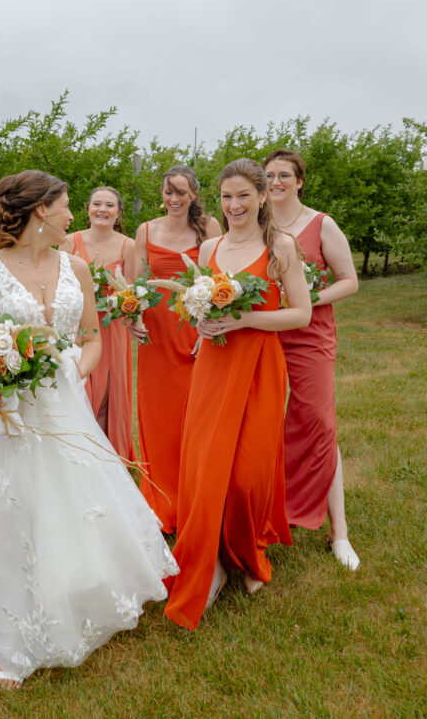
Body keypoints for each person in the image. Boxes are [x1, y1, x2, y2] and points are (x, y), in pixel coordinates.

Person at [0, 170, 177, 689]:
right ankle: (17, 631)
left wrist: (75, 369)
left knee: (77, 499)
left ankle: (83, 590)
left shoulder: (76, 265)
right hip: (10, 413)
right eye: (65, 207)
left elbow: (93, 338)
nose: (73, 216)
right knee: (20, 507)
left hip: (65, 404)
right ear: (39, 211)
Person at [164, 158, 311, 631]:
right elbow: (198, 305)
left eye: (244, 195)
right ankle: (213, 565)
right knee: (207, 468)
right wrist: (201, 320)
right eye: (227, 197)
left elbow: (301, 314)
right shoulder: (209, 247)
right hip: (213, 366)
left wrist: (246, 319)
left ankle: (246, 551)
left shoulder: (281, 246)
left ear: (263, 196)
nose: (235, 205)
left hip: (260, 368)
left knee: (247, 472)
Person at [264, 149, 360, 570]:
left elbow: (350, 281)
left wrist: (306, 297)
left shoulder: (322, 224)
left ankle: (339, 532)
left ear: (300, 180)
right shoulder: (256, 224)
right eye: (269, 175)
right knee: (263, 422)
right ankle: (262, 514)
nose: (276, 182)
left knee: (319, 423)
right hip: (265, 332)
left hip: (309, 335)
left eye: (285, 175)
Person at [131, 166, 221, 532]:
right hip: (155, 333)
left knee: (195, 416)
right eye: (169, 192)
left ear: (194, 195)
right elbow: (137, 280)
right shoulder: (146, 230)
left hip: (193, 329)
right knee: (158, 416)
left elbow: (217, 280)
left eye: (181, 192)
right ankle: (161, 503)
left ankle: (197, 498)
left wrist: (206, 331)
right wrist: (133, 316)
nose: (174, 199)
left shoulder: (209, 228)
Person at [62, 186, 137, 460]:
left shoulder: (128, 245)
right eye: (97, 204)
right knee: (80, 391)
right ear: (88, 209)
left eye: (109, 205)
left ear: (118, 213)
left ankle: (108, 458)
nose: (102, 210)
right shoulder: (70, 242)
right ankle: (78, 455)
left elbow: (133, 291)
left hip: (113, 329)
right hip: (80, 329)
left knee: (107, 396)